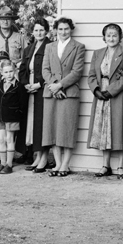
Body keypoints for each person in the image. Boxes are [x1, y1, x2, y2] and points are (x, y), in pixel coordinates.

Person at [87, 23, 123, 180]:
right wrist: (96, 90)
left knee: (120, 128)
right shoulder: (97, 53)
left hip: (119, 95)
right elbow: (91, 75)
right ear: (104, 37)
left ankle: (121, 166)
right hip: (100, 95)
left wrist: (110, 91)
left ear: (120, 37)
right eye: (108, 35)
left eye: (114, 35)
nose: (111, 38)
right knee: (104, 129)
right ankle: (105, 165)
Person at [41, 17, 86, 177]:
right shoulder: (49, 47)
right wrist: (54, 86)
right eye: (60, 29)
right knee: (53, 129)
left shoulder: (78, 47)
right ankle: (58, 164)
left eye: (66, 29)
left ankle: (65, 165)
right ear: (55, 30)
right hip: (51, 92)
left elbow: (77, 71)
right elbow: (45, 69)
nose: (63, 32)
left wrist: (60, 85)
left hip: (69, 93)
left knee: (66, 129)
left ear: (71, 29)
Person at [19, 18, 50, 172]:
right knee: (31, 124)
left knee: (41, 124)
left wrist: (39, 84)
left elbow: (52, 70)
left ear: (47, 31)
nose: (39, 33)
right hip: (29, 89)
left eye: (42, 30)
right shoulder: (28, 49)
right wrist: (25, 84)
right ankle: (36, 156)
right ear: (33, 32)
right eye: (36, 30)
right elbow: (22, 69)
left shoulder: (50, 47)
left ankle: (43, 159)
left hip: (42, 89)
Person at [0, 60, 24, 174]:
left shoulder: (19, 86)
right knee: (1, 139)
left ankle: (9, 164)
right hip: (0, 116)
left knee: (9, 139)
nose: (9, 74)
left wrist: (18, 114)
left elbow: (22, 103)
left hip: (12, 116)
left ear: (15, 71)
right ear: (1, 72)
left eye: (11, 71)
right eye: (6, 72)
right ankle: (2, 163)